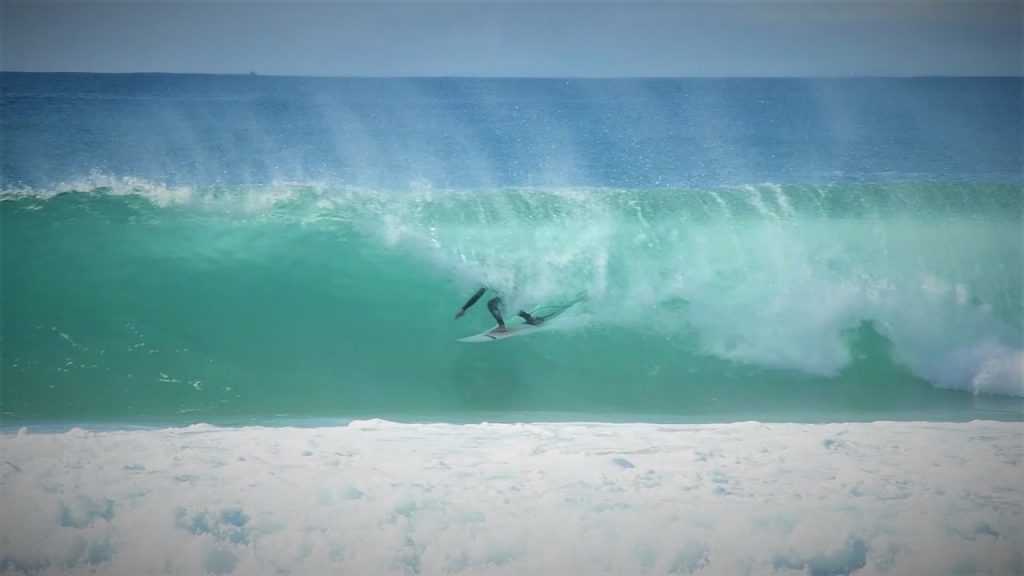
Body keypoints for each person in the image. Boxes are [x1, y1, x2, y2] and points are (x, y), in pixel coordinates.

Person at [454, 287, 542, 332]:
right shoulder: (494, 272)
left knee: (491, 304)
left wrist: (464, 309)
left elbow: (478, 295)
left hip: (513, 291)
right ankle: (530, 318)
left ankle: (502, 326)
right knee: (505, 306)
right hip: (516, 291)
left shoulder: (488, 278)